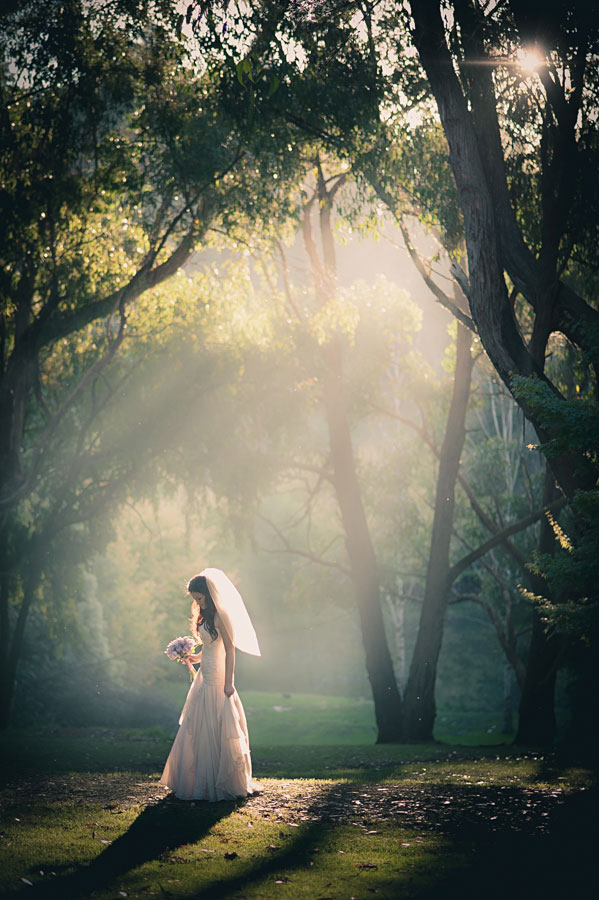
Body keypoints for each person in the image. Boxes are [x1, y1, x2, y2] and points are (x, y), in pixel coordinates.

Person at [160, 567, 263, 801]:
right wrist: (191, 657)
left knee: (218, 723)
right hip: (204, 675)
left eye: (199, 598)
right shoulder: (204, 616)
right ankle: (200, 780)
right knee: (198, 725)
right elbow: (208, 647)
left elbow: (229, 649)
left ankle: (223, 780)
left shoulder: (221, 616)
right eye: (195, 599)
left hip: (218, 676)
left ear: (208, 593)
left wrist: (229, 682)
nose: (197, 602)